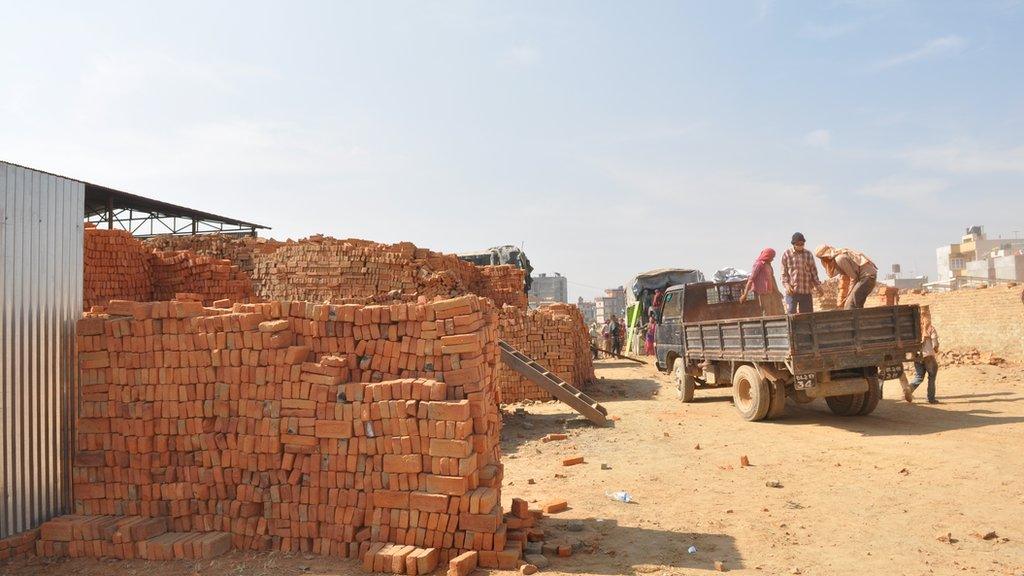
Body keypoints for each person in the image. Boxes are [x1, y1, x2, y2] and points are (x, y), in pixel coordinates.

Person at [814, 245, 878, 309]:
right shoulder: (836, 260)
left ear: (826, 255)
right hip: (865, 278)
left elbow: (854, 278)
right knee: (855, 304)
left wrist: (849, 294)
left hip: (867, 277)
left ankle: (854, 318)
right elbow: (836, 274)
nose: (822, 261)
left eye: (822, 258)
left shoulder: (840, 259)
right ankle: (860, 318)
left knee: (850, 305)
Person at [780, 232, 822, 314]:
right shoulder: (786, 254)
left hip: (806, 291)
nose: (800, 245)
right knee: (791, 314)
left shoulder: (808, 254)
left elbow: (813, 272)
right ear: (793, 244)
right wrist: (786, 285)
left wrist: (818, 285)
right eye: (798, 244)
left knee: (807, 316)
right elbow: (783, 273)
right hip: (792, 291)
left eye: (802, 244)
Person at [739, 248, 785, 316]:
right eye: (771, 257)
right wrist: (745, 294)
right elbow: (751, 279)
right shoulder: (759, 264)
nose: (772, 259)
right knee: (767, 312)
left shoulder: (769, 265)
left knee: (776, 311)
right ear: (767, 256)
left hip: (770, 292)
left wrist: (778, 292)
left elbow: (772, 279)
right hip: (762, 293)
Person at [909, 307, 940, 404]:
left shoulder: (915, 327)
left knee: (919, 376)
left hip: (917, 356)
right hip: (928, 356)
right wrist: (936, 350)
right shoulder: (930, 328)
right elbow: (935, 344)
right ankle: (931, 398)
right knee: (932, 377)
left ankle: (909, 389)